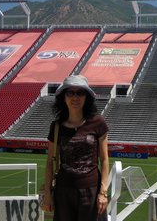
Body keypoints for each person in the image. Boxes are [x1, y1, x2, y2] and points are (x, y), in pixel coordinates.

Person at [41, 74, 109, 221]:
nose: (75, 97)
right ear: (63, 97)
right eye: (70, 92)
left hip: (91, 190)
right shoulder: (57, 126)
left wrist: (103, 192)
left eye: (80, 93)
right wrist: (47, 193)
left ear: (87, 97)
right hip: (63, 191)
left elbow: (104, 160)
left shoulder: (98, 123)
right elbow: (49, 162)